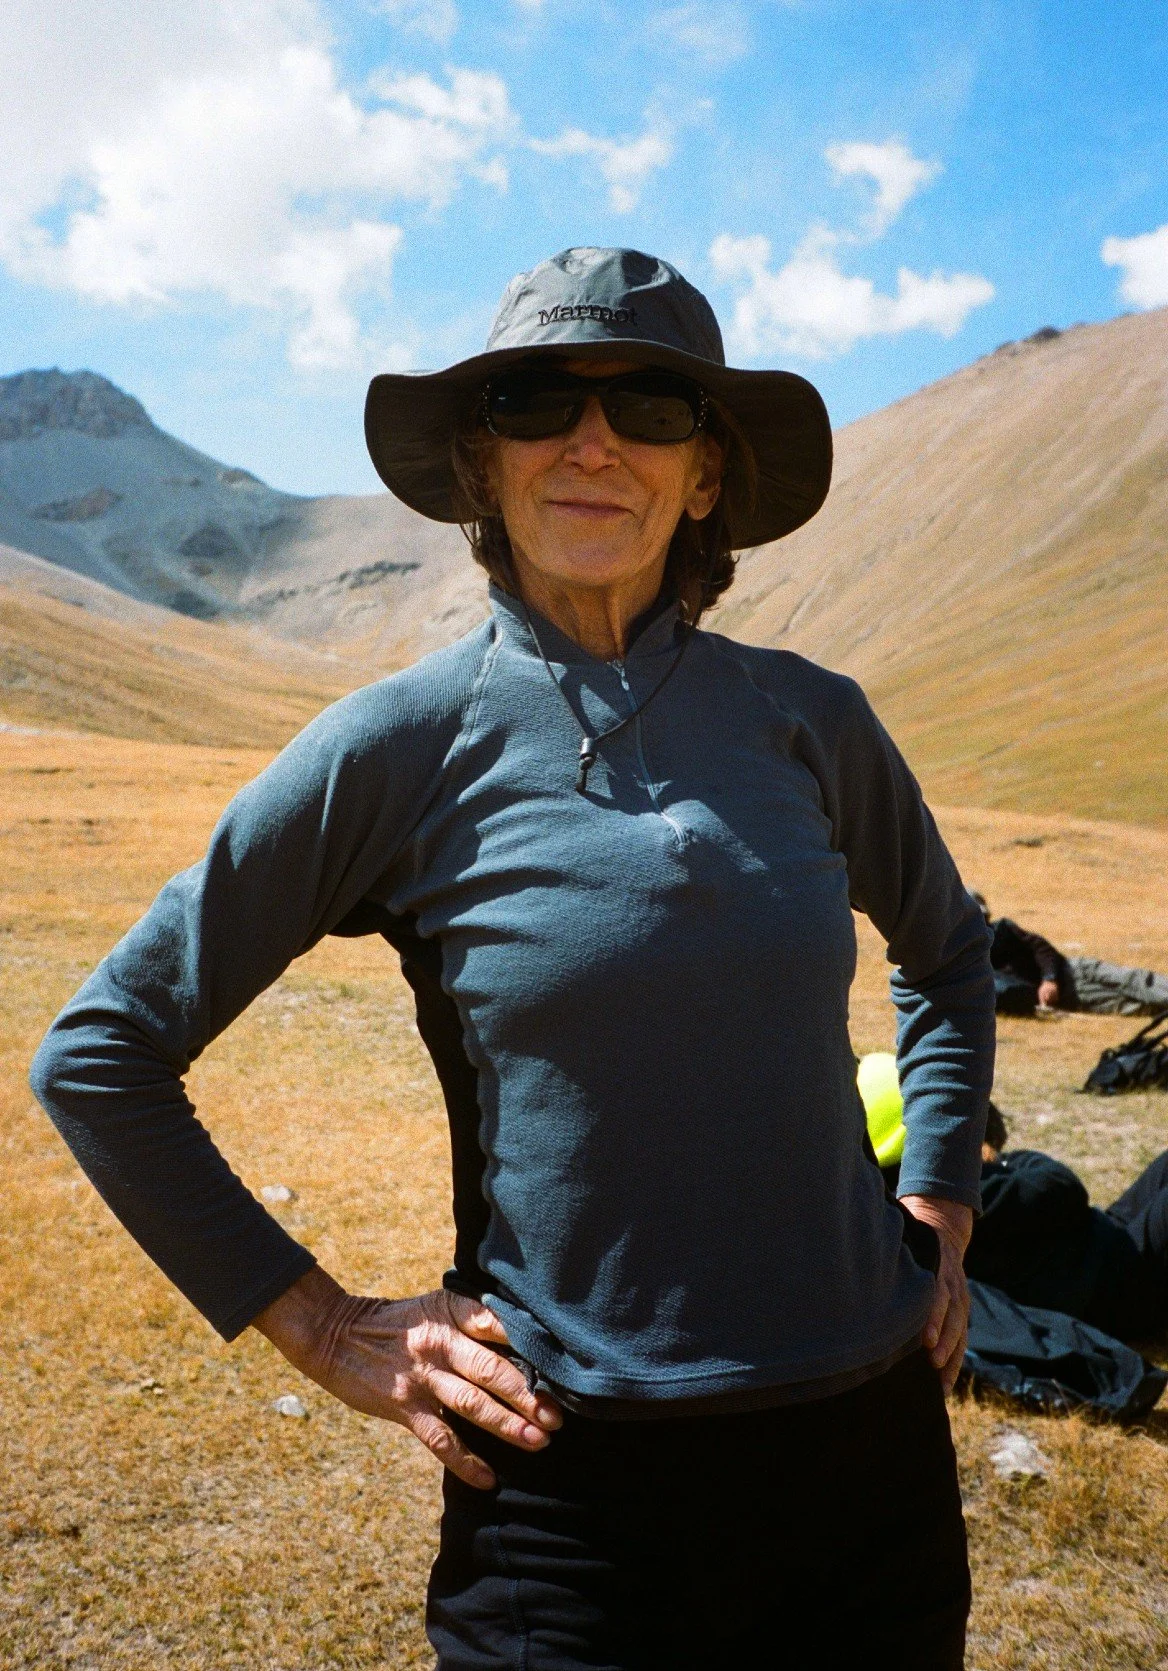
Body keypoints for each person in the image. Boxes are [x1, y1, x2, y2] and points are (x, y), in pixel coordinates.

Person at [31, 247, 996, 1670]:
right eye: (539, 402)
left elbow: (952, 953)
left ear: (706, 476)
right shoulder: (400, 742)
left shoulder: (810, 718)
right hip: (571, 1489)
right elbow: (102, 1050)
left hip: (870, 1456)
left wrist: (943, 1202)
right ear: (484, 467)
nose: (593, 441)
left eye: (651, 407)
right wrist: (322, 1324)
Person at [863, 1060, 1167, 1341]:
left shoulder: (899, 1202)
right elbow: (1063, 1188)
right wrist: (1007, 1160)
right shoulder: (959, 1194)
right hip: (1117, 1283)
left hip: (1096, 1247)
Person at [972, 891, 1168, 1015]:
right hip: (1070, 997)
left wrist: (1049, 979)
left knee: (1136, 980)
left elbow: (1041, 948)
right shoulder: (966, 964)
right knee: (1131, 1007)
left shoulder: (1004, 930)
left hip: (1074, 969)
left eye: (983, 916)